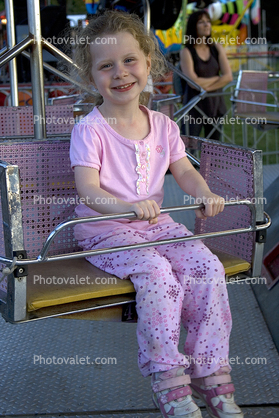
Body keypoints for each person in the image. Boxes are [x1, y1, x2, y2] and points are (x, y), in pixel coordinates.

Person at [70, 10, 243, 418]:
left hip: (154, 225)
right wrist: (128, 206)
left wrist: (204, 192)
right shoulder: (90, 130)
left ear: (149, 62)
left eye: (130, 61)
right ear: (92, 77)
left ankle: (210, 371)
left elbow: (183, 170)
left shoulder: (164, 125)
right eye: (106, 66)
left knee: (206, 267)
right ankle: (167, 380)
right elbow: (88, 189)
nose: (120, 73)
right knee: (157, 274)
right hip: (105, 231)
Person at [180, 10, 233, 140]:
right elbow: (193, 83)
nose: (206, 25)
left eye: (208, 21)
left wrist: (205, 88)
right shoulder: (186, 52)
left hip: (215, 105)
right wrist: (217, 78)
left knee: (213, 152)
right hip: (194, 106)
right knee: (188, 149)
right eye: (201, 22)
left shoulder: (216, 48)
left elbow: (228, 77)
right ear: (193, 26)